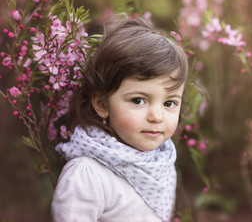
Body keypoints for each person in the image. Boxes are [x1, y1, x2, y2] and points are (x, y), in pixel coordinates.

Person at [51, 16, 189, 222]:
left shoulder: (161, 161)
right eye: (138, 100)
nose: (157, 116)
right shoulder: (88, 175)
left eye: (169, 103)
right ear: (102, 105)